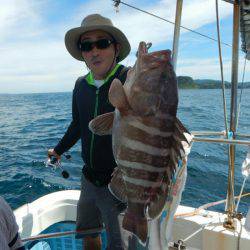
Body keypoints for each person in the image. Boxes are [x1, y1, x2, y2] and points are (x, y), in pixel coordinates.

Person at [48, 14, 131, 250]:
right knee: (88, 233)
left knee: (120, 245)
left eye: (102, 43)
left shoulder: (129, 78)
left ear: (116, 48)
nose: (94, 51)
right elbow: (77, 124)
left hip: (120, 181)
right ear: (82, 53)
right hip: (89, 178)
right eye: (87, 45)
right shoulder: (80, 84)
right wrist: (58, 150)